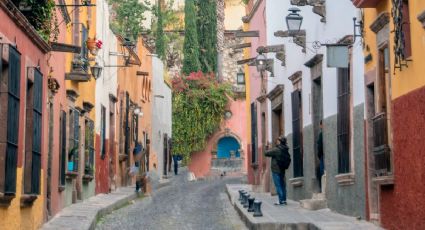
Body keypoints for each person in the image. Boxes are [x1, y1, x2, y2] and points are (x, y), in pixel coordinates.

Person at [265, 136, 289, 206]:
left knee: (278, 185)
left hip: (276, 170)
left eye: (277, 140)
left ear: (280, 141)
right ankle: (284, 200)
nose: (276, 141)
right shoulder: (285, 148)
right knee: (282, 185)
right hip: (282, 169)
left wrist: (267, 147)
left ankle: (281, 200)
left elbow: (266, 153)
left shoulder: (276, 149)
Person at [317, 120, 325, 193]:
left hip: (323, 156)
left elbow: (319, 147)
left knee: (322, 173)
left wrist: (319, 155)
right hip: (323, 156)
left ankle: (323, 190)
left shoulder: (321, 134)